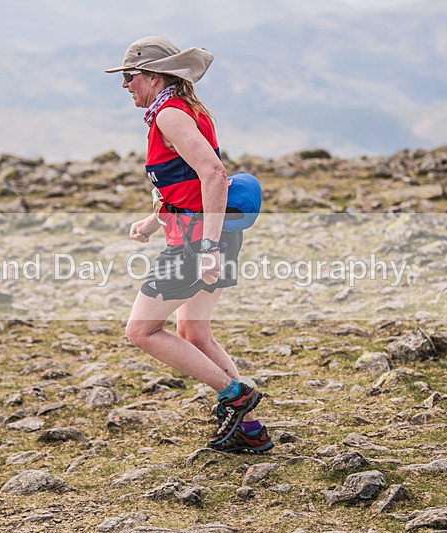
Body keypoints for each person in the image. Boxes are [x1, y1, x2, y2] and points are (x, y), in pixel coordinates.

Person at [105, 36, 272, 453]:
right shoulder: (182, 110)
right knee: (194, 332)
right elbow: (184, 181)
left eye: (130, 76)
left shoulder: (170, 117)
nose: (125, 84)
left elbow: (213, 174)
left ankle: (235, 395)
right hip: (212, 234)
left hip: (198, 242)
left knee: (141, 331)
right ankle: (249, 430)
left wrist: (210, 248)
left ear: (155, 76)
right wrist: (152, 219)